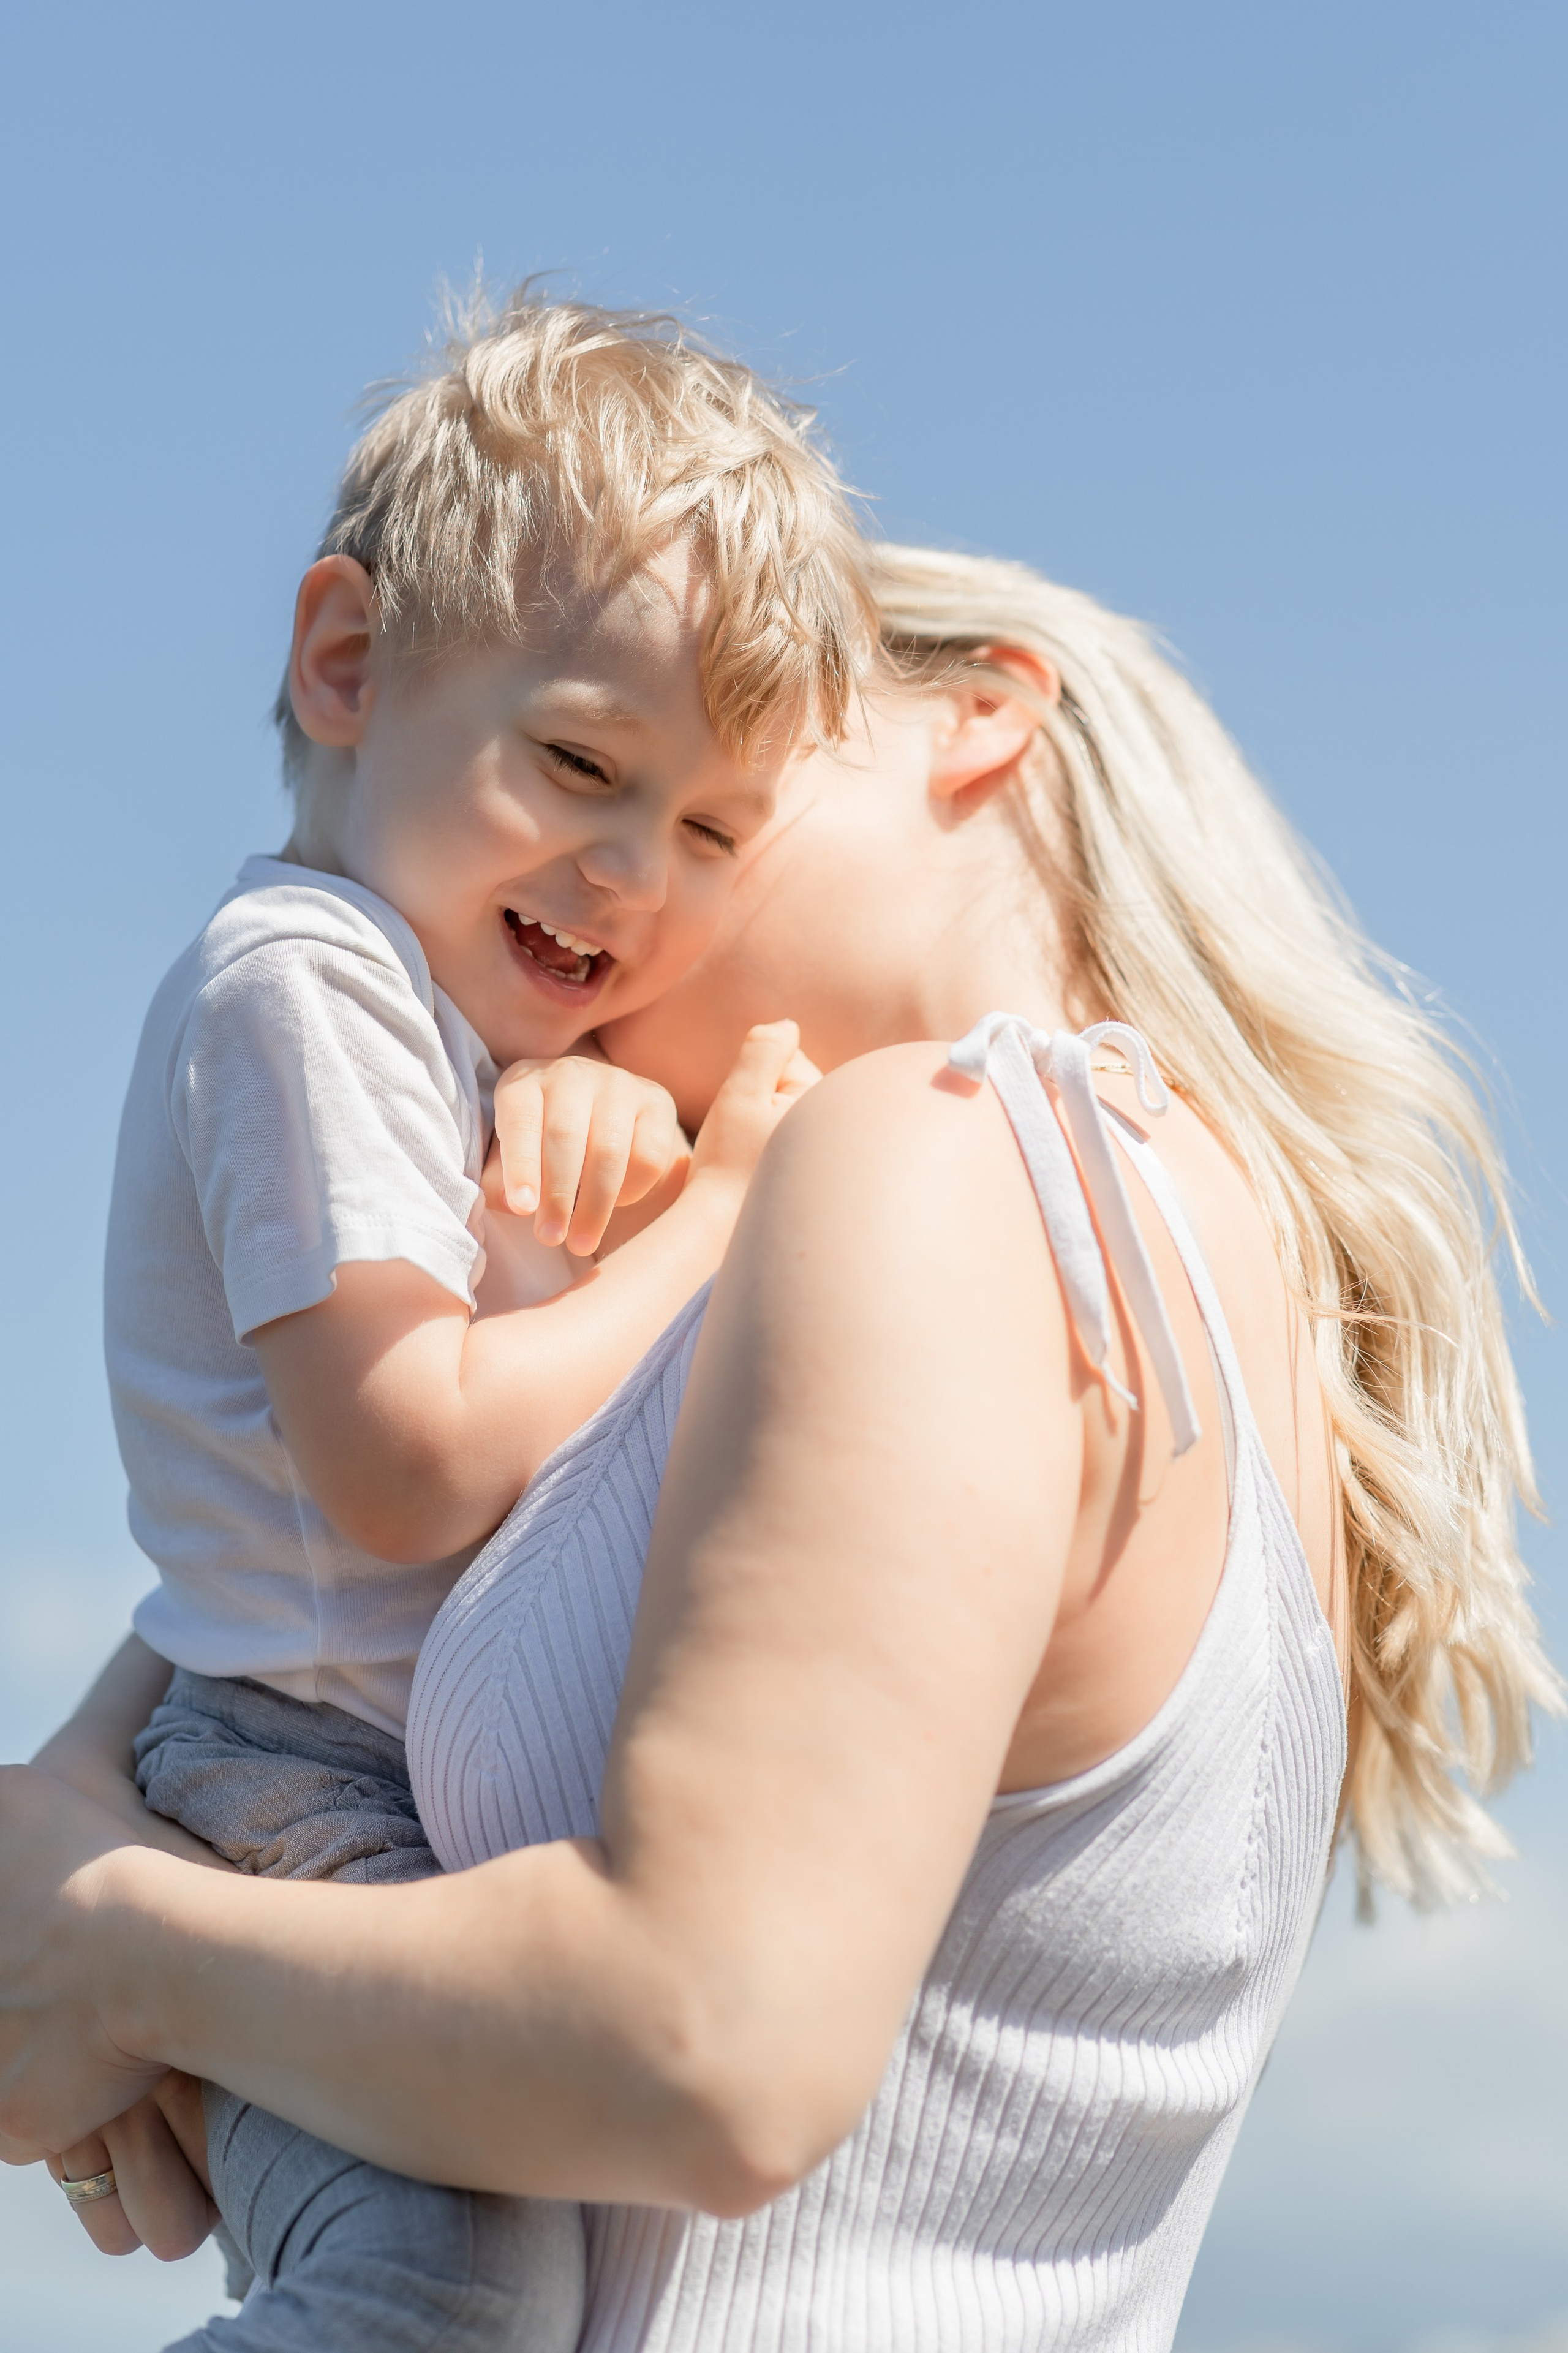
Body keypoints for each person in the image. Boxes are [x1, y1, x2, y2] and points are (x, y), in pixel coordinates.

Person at [1, 544, 1555, 2352]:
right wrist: (84, 1785)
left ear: (976, 717)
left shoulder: (944, 1153)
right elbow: (318, 1560)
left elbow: (708, 2036)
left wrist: (110, 1947)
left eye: (727, 794)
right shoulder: (1169, 1251)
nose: (630, 893)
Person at [65, 285, 872, 2352]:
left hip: (346, 1757)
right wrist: (723, 1222)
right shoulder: (305, 988)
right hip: (296, 1776)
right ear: (346, 662)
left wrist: (599, 1132)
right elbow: (408, 1457)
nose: (629, 878)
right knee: (447, 2291)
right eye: (582, 764)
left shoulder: (424, 1016)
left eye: (707, 830)